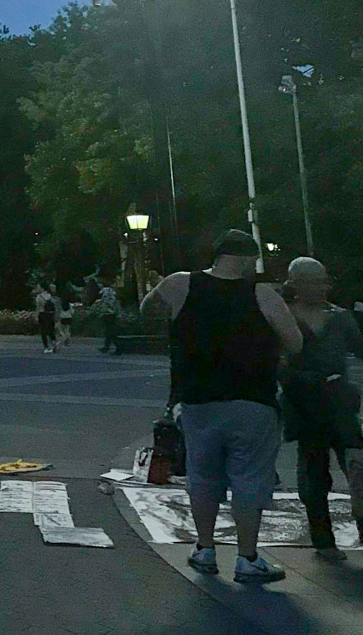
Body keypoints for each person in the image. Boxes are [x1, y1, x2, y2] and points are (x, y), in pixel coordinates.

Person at [142, 230, 303, 585]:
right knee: (248, 478)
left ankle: (204, 549)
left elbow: (146, 307)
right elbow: (294, 342)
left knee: (202, 475)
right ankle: (247, 558)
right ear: (247, 259)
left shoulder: (181, 284)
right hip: (252, 401)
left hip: (198, 400)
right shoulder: (261, 294)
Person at [280, 257, 363, 562]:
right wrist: (301, 379)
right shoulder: (284, 317)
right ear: (295, 284)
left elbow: (360, 347)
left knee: (358, 466)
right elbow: (275, 363)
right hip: (305, 406)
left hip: (341, 405)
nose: (321, 287)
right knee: (314, 472)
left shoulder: (340, 318)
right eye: (313, 281)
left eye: (324, 281)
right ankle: (323, 539)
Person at [96, 279, 122, 354]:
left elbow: (104, 303)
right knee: (110, 330)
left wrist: (101, 311)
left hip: (107, 313)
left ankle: (117, 348)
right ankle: (107, 346)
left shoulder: (104, 291)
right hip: (113, 313)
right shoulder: (113, 291)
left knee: (110, 331)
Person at [35, 285, 58, 354]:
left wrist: (36, 316)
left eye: (38, 287)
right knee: (51, 329)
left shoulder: (39, 297)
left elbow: (38, 307)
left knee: (43, 331)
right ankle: (53, 341)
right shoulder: (50, 296)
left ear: (42, 288)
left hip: (42, 314)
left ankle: (46, 347)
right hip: (50, 314)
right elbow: (55, 306)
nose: (37, 288)